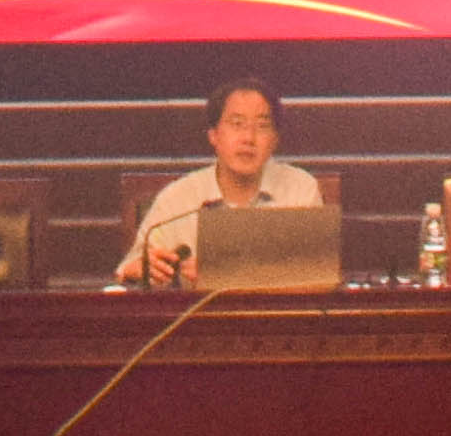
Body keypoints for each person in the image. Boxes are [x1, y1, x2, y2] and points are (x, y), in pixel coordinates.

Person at [118, 80, 326, 284]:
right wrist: (137, 269)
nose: (248, 138)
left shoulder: (300, 190)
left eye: (262, 126)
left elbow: (319, 276)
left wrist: (224, 274)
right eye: (237, 124)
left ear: (275, 140)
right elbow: (128, 269)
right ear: (214, 135)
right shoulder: (179, 198)